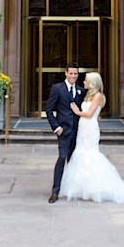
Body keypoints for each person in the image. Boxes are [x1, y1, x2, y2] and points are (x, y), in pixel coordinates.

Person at [60, 72, 124, 203]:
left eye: (86, 80)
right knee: (81, 153)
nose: (84, 82)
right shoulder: (88, 95)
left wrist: (77, 111)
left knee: (91, 154)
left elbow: (89, 113)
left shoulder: (98, 96)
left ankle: (96, 187)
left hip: (90, 128)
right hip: (83, 128)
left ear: (92, 82)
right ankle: (84, 189)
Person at [46, 62, 82, 203]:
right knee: (62, 158)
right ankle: (55, 192)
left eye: (75, 74)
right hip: (64, 131)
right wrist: (57, 128)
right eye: (71, 73)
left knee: (74, 161)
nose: (73, 76)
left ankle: (72, 190)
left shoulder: (80, 90)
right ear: (66, 73)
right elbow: (49, 110)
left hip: (78, 132)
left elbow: (85, 108)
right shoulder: (57, 88)